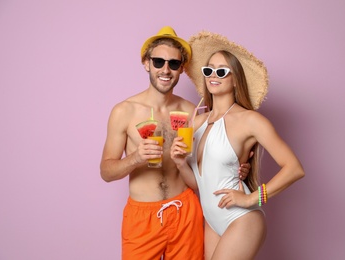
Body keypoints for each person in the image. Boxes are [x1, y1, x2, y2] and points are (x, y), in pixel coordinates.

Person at [99, 26, 251, 260]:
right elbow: (106, 172)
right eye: (158, 61)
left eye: (173, 63)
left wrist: (239, 167)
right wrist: (135, 158)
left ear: (181, 69)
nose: (165, 69)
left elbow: (209, 161)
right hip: (142, 217)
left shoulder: (192, 112)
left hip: (186, 210)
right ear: (146, 63)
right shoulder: (124, 111)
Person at [170, 31, 305, 260]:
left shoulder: (250, 121)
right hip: (213, 221)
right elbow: (201, 183)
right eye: (208, 70)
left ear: (235, 79)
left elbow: (294, 168)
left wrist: (252, 198)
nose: (213, 75)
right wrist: (181, 163)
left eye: (221, 71)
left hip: (241, 219)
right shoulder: (197, 122)